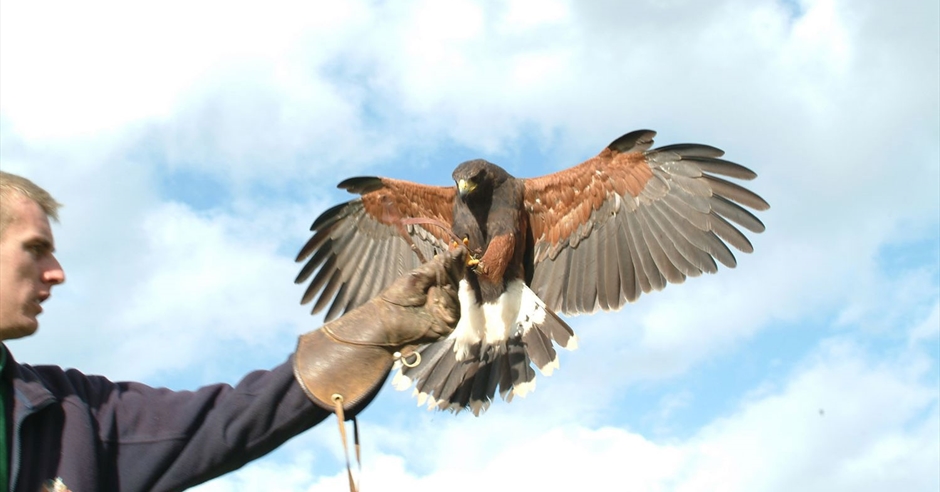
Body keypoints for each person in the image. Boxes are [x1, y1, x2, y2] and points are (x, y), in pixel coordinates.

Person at [0, 171, 466, 492]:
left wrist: (375, 331)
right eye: (35, 249)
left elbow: (226, 420)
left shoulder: (74, 414)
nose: (56, 272)